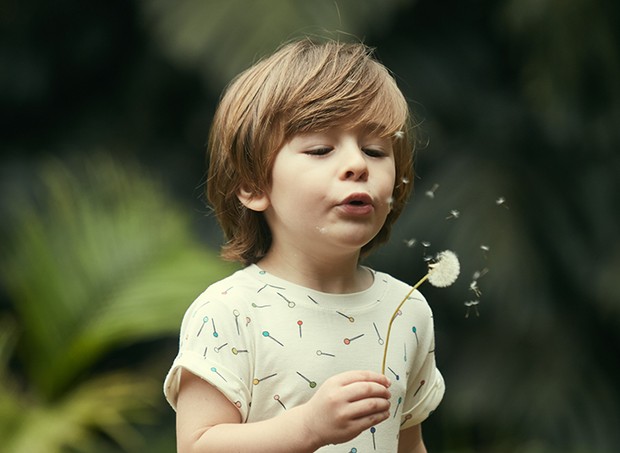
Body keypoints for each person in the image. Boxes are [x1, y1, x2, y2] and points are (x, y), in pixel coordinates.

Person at [163, 38, 445, 452]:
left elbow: (408, 444)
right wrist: (308, 428)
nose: (357, 165)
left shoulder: (407, 310)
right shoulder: (228, 311)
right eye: (320, 149)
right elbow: (198, 446)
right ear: (253, 185)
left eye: (374, 150)